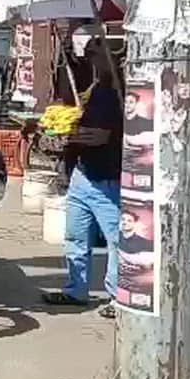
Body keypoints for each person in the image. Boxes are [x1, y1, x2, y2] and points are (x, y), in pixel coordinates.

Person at [43, 36, 123, 318]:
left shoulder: (123, 92)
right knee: (75, 237)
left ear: (113, 56)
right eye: (89, 55)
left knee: (116, 241)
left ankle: (117, 298)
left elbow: (107, 135)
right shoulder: (96, 88)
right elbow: (83, 125)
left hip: (108, 180)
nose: (91, 60)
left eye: (96, 54)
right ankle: (76, 290)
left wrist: (102, 136)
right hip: (83, 174)